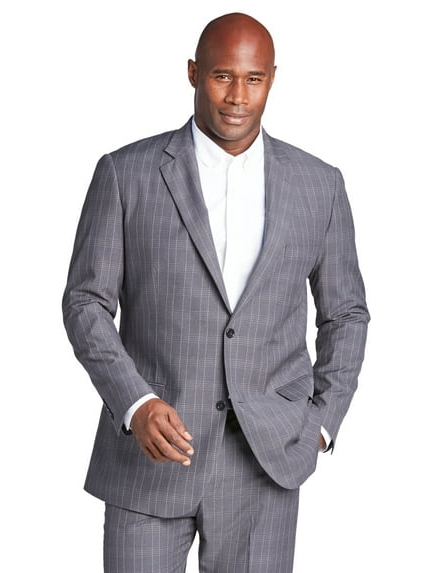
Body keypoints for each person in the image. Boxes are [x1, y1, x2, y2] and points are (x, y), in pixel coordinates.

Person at [63, 12, 369, 573]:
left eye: (254, 79)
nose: (237, 97)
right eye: (222, 76)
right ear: (193, 73)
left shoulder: (319, 184)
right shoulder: (125, 174)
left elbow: (346, 313)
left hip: (265, 459)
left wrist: (322, 424)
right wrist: (135, 403)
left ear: (272, 80)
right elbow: (86, 303)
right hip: (151, 455)